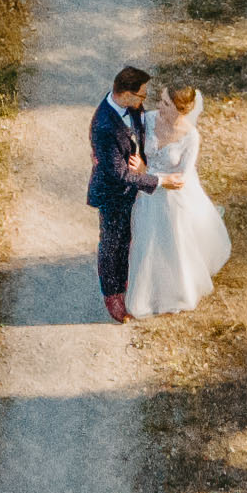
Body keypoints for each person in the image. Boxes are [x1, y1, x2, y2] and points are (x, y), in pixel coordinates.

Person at [123, 85, 233, 319]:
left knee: (172, 241)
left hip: (172, 198)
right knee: (147, 242)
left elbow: (181, 179)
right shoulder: (148, 120)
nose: (159, 106)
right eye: (161, 100)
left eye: (165, 103)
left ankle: (177, 290)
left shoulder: (190, 137)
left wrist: (147, 172)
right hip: (147, 193)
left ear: (180, 110)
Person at [89, 64, 159, 322]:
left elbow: (141, 133)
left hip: (132, 187)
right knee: (112, 244)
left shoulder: (133, 107)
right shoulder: (103, 125)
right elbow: (119, 174)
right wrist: (156, 181)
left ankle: (128, 280)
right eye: (142, 95)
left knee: (130, 238)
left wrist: (144, 163)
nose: (144, 100)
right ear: (127, 94)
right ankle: (113, 295)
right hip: (112, 194)